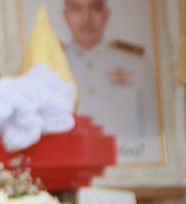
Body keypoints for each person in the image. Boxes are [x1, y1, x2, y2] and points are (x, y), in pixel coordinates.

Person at [59, 0, 158, 163]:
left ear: (106, 14)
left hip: (128, 164)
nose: (86, 18)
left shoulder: (136, 63)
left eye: (95, 8)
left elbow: (152, 127)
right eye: (76, 9)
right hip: (71, 167)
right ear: (66, 15)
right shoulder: (52, 64)